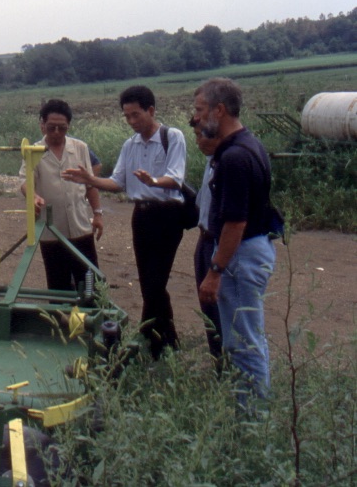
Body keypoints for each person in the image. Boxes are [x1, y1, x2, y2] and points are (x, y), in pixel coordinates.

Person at [62, 85, 187, 360]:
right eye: (127, 116)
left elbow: (175, 178)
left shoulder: (172, 137)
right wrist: (91, 180)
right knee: (147, 282)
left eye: (135, 115)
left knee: (156, 282)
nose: (131, 121)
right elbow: (118, 182)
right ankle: (164, 341)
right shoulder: (130, 145)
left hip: (167, 215)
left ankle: (153, 339)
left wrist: (153, 181)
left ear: (151, 110)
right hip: (141, 216)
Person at [194, 78, 276, 410]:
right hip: (250, 250)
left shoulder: (235, 158)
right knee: (244, 337)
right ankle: (249, 410)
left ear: (220, 110)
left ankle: (252, 422)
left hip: (239, 255)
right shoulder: (247, 144)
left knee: (243, 342)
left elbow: (235, 222)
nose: (196, 118)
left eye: (200, 110)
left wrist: (215, 271)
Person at [20, 99, 104, 292]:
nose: (56, 133)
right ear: (42, 125)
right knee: (59, 287)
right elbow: (25, 181)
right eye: (51, 128)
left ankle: (91, 320)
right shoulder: (33, 152)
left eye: (62, 128)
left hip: (80, 227)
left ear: (69, 126)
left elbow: (90, 184)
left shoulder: (80, 148)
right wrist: (32, 196)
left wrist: (98, 213)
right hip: (51, 231)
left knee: (91, 284)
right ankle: (61, 322)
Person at [190, 117, 223, 363]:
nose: (197, 141)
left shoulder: (228, 163)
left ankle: (232, 367)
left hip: (218, 243)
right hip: (204, 239)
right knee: (209, 309)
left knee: (223, 308)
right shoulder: (210, 162)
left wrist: (216, 269)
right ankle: (219, 362)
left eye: (200, 135)